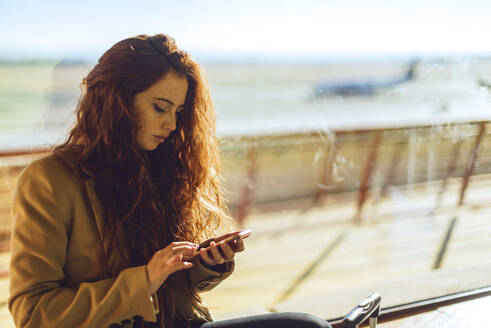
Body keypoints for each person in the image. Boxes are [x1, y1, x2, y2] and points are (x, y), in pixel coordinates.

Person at [8, 34, 332, 328]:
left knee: (307, 326)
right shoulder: (49, 181)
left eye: (178, 111)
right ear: (114, 100)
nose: (171, 125)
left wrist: (203, 264)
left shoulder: (159, 167)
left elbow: (167, 294)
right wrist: (145, 280)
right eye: (160, 107)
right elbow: (32, 313)